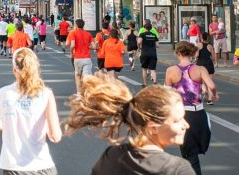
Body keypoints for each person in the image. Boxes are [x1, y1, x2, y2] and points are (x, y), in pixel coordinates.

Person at [64, 75, 195, 175]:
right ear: (153, 128)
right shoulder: (178, 169)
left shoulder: (112, 155)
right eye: (177, 120)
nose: (186, 125)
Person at [0, 48, 62, 174]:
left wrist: (5, 120)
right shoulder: (46, 94)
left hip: (13, 168)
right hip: (42, 166)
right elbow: (55, 136)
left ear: (14, 69)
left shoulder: (0, 95)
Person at [165, 41, 217, 175]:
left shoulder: (171, 71)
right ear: (192, 53)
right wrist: (214, 95)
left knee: (189, 154)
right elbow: (211, 86)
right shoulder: (200, 69)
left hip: (182, 115)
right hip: (199, 114)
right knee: (192, 153)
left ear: (178, 53)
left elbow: (167, 95)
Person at [67, 19, 93, 93]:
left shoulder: (73, 33)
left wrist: (72, 51)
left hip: (77, 58)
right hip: (87, 58)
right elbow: (92, 46)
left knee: (78, 76)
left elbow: (72, 45)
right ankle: (87, 93)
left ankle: (79, 94)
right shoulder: (88, 34)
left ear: (76, 25)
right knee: (86, 78)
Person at [194, 32, 216, 105]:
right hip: (209, 64)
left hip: (200, 64)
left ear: (202, 38)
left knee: (201, 81)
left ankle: (204, 90)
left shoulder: (198, 45)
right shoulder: (210, 46)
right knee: (209, 82)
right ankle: (210, 100)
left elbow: (196, 55)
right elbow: (213, 57)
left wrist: (195, 60)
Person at [139, 21, 159, 87]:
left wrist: (139, 46)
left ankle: (145, 84)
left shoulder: (142, 34)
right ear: (151, 28)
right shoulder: (154, 35)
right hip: (153, 53)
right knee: (153, 69)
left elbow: (139, 42)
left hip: (144, 53)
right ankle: (155, 82)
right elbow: (157, 45)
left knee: (144, 69)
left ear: (145, 28)